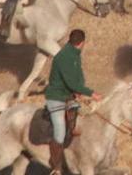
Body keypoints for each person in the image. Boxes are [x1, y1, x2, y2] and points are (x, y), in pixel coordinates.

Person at [43, 29, 101, 175]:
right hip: (56, 98)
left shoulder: (75, 55)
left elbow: (78, 76)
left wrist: (80, 90)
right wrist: (91, 93)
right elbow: (71, 82)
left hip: (69, 96)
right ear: (82, 43)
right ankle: (56, 166)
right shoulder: (64, 57)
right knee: (60, 133)